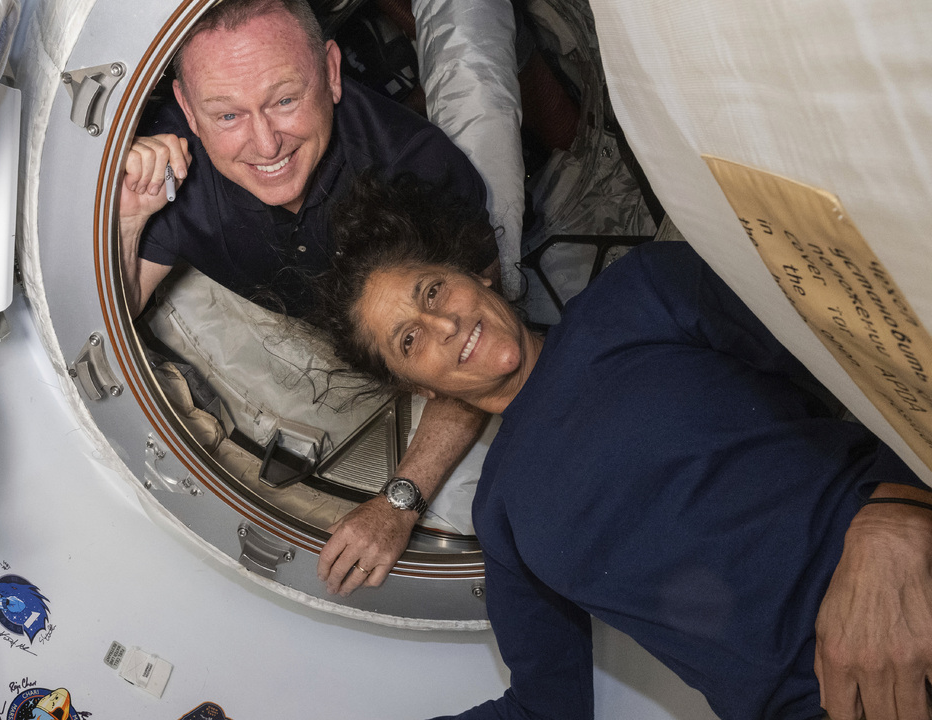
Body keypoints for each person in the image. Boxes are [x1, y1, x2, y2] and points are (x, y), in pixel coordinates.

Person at [312, 174, 932, 720]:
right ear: (416, 386)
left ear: (476, 273)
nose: (446, 328)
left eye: (433, 292)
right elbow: (543, 710)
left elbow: (873, 346)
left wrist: (897, 515)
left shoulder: (639, 294)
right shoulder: (500, 514)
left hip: (906, 573)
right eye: (411, 340)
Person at [118, 0, 502, 595]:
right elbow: (115, 314)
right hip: (311, 320)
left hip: (422, 288)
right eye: (226, 115)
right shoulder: (173, 167)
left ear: (330, 70)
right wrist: (129, 221)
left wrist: (399, 503)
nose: (265, 142)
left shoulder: (417, 170)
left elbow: (482, 345)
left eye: (284, 100)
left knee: (477, 86)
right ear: (189, 110)